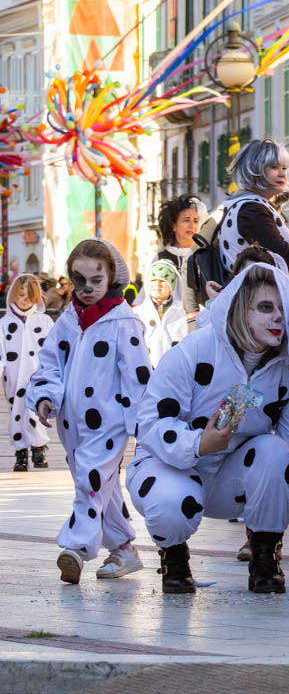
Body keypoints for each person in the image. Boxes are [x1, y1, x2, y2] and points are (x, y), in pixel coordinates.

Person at [127, 263, 289, 595]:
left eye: (283, 308)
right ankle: (175, 559)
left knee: (278, 453)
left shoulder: (286, 369)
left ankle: (265, 556)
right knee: (171, 502)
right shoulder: (194, 351)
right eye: (266, 307)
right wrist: (198, 443)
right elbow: (150, 423)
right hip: (168, 467)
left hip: (230, 478)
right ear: (241, 308)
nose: (278, 317)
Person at [28, 240, 151, 584]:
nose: (86, 289)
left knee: (91, 479)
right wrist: (45, 396)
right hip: (71, 423)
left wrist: (144, 424)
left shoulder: (125, 322)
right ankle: (124, 549)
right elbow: (51, 362)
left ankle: (76, 549)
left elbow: (139, 375)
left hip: (108, 422)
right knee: (101, 487)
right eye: (78, 280)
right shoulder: (69, 319)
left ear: (111, 277)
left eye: (95, 281)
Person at [217, 141, 289, 275]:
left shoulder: (247, 205)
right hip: (259, 292)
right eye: (274, 167)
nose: (282, 174)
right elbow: (286, 259)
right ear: (254, 169)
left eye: (284, 168)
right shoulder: (252, 210)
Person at [4, 275, 51, 471]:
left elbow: (53, 348)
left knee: (37, 409)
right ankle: (20, 451)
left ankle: (39, 447)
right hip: (14, 376)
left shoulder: (44, 320)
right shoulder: (4, 323)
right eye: (20, 295)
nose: (23, 299)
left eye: (28, 296)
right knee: (17, 411)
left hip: (38, 374)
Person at [154, 194, 205, 315]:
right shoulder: (161, 258)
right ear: (173, 225)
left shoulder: (203, 256)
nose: (192, 226)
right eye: (186, 220)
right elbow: (146, 297)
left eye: (195, 221)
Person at [132, 259, 186, 364]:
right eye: (153, 280)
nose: (157, 285)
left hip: (174, 371)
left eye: (162, 281)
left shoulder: (183, 313)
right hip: (146, 371)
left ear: (172, 285)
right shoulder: (137, 313)